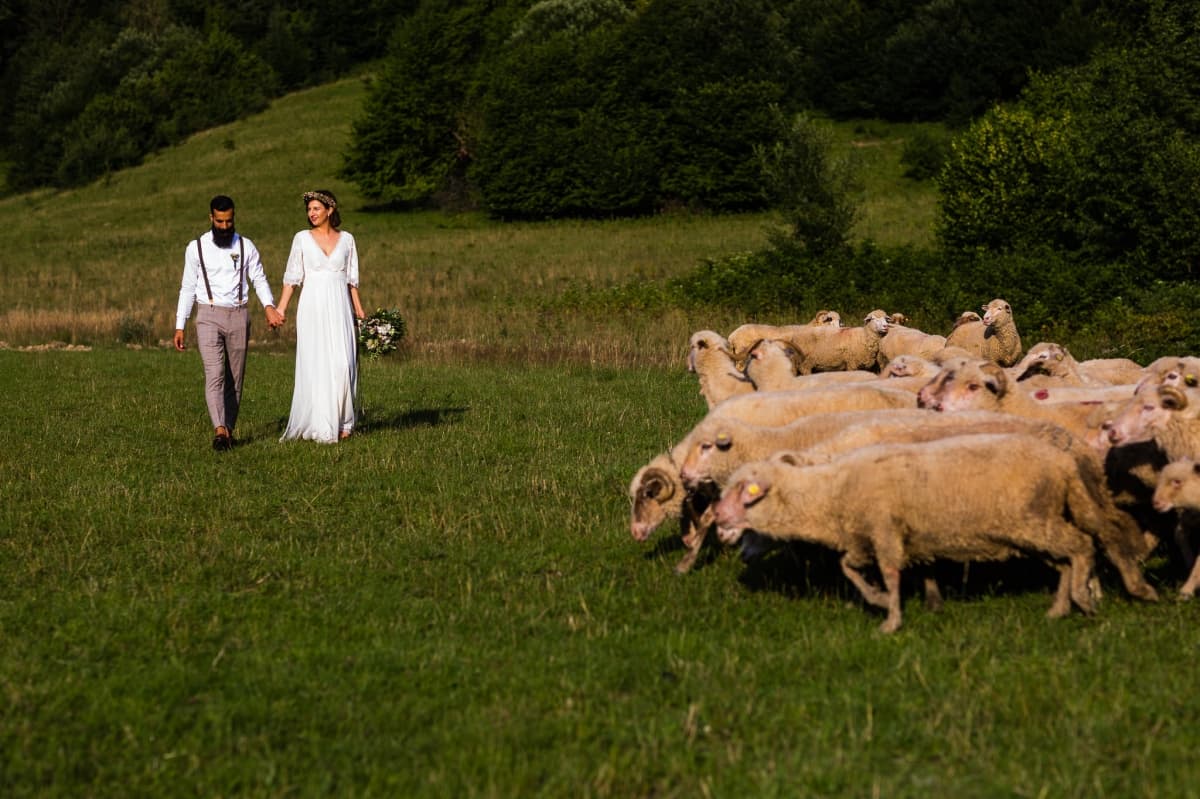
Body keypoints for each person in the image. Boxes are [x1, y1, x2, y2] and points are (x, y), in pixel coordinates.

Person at [174, 194, 283, 451]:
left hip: (238, 315)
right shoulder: (196, 248)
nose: (225, 226)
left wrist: (269, 306)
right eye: (220, 221)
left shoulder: (246, 246)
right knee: (215, 374)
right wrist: (180, 324)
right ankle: (219, 429)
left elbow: (259, 278)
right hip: (208, 315)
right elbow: (187, 288)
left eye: (229, 221)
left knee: (235, 377)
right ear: (211, 218)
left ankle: (229, 429)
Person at [276, 189, 366, 443]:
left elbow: (352, 279)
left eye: (316, 208)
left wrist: (359, 309)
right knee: (317, 363)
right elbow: (292, 278)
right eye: (309, 209)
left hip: (340, 306)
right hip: (312, 306)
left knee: (343, 363)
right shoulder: (302, 238)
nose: (311, 213)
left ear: (330, 209)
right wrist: (281, 309)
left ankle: (345, 419)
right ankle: (322, 423)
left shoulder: (347, 239)